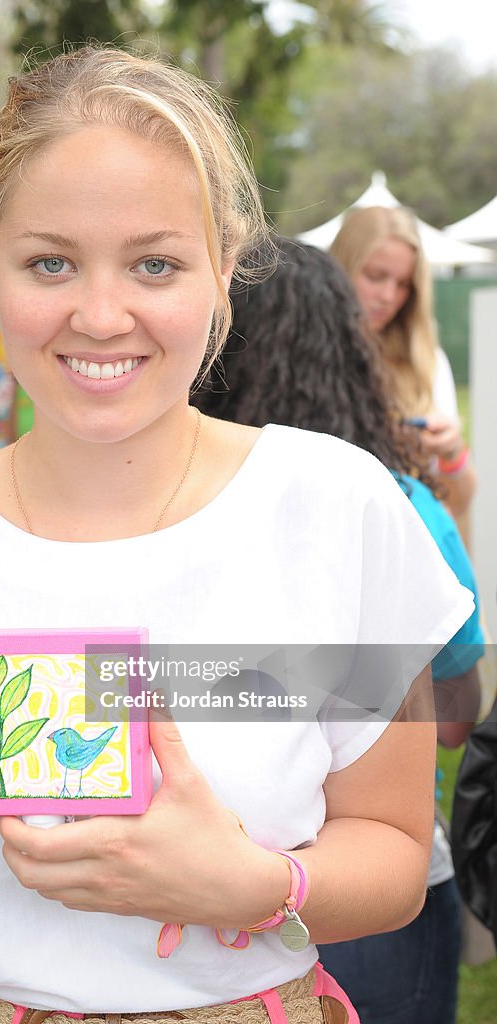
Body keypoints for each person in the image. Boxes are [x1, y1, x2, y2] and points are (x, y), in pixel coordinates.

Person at [0, 47, 476, 1024]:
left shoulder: (340, 509)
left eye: (155, 263)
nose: (101, 316)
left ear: (224, 263)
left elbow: (397, 856)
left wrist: (252, 884)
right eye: (49, 262)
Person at [194, 236, 484, 1024]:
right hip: (378, 887)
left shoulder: (156, 517)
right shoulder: (398, 505)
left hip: (200, 879)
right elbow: (457, 717)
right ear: (349, 348)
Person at [329, 205, 476, 535]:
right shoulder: (306, 358)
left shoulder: (426, 360)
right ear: (341, 267)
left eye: (404, 284)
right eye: (376, 276)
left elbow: (459, 502)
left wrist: (452, 452)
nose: (388, 296)